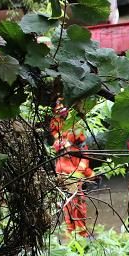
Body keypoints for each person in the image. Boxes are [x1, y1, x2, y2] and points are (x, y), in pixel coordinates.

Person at [50, 100, 93, 237]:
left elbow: (83, 149)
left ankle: (80, 233)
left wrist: (83, 169)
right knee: (68, 203)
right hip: (64, 170)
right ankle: (73, 232)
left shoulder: (76, 127)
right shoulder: (57, 131)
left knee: (77, 201)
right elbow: (57, 143)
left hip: (74, 170)